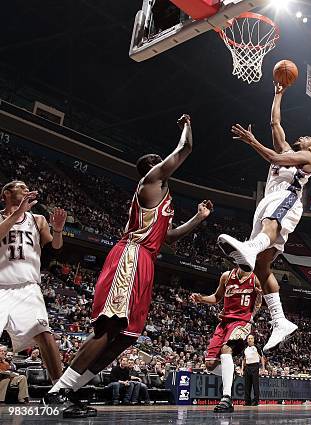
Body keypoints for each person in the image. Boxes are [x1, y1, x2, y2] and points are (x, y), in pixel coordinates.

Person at [46, 114, 214, 418]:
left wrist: (199, 218)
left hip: (147, 260)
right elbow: (186, 148)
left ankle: (70, 390)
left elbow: (168, 238)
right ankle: (58, 390)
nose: (167, 164)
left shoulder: (162, 199)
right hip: (131, 256)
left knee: (123, 339)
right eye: (162, 162)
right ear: (155, 167)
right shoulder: (150, 182)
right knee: (109, 328)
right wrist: (188, 124)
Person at [218, 83, 311, 352]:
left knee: (266, 232)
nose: (307, 139)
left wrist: (252, 142)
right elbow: (275, 122)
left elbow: (273, 155)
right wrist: (279, 94)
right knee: (262, 268)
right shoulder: (287, 148)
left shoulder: (306, 157)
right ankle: (280, 320)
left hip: (287, 198)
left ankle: (249, 247)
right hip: (268, 200)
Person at [0, 180, 66, 385]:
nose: (26, 189)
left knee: (44, 334)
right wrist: (17, 213)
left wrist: (57, 230)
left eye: (27, 187)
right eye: (20, 186)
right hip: (1, 286)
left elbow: (55, 246)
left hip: (28, 286)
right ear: (6, 193)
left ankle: (59, 388)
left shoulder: (38, 219)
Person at [190, 268, 262, 412]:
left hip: (242, 321)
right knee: (210, 364)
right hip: (224, 322)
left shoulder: (255, 279)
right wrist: (202, 299)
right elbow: (217, 297)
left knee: (226, 349)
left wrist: (251, 316)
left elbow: (259, 302)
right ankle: (231, 374)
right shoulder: (226, 276)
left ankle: (227, 398)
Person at [241, 334, 266, 406]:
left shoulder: (257, 347)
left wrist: (263, 368)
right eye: (248, 338)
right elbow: (243, 359)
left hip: (255, 366)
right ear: (247, 340)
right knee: (247, 385)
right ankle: (247, 401)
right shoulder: (245, 349)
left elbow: (262, 358)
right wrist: (242, 369)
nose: (250, 339)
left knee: (255, 385)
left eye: (251, 338)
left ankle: (255, 401)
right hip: (247, 367)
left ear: (254, 340)